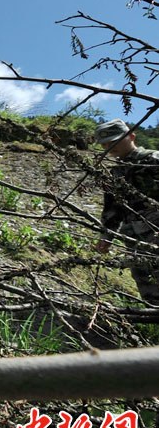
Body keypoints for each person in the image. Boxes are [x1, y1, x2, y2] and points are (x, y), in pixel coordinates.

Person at [94, 118, 159, 305]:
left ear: (131, 136)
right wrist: (106, 237)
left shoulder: (153, 160)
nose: (109, 146)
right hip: (134, 241)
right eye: (105, 144)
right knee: (148, 289)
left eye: (114, 140)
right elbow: (113, 209)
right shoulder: (115, 173)